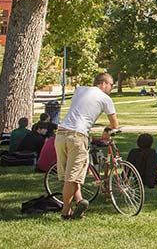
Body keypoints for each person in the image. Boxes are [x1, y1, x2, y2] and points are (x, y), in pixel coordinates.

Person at [55, 72, 119, 219]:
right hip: (78, 136)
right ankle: (66, 212)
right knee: (72, 177)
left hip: (60, 134)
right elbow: (115, 124)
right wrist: (106, 131)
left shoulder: (81, 90)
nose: (111, 88)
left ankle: (79, 201)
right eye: (111, 85)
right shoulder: (105, 99)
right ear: (103, 83)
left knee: (70, 174)